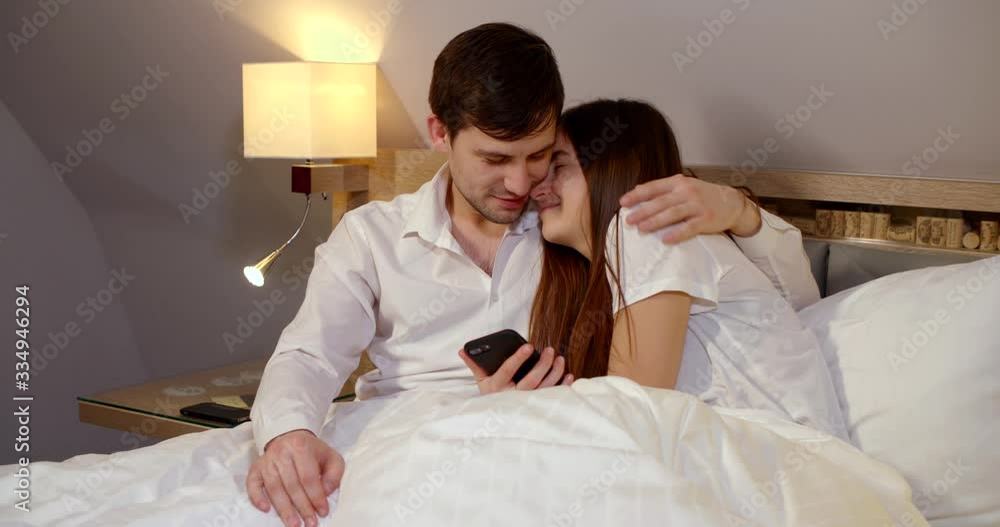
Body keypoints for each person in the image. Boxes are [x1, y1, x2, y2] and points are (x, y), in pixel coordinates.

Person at [245, 23, 820, 527]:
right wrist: (289, 434)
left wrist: (740, 209)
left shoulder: (577, 229)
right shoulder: (371, 235)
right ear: (440, 134)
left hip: (528, 448)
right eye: (496, 159)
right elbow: (308, 356)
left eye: (540, 155)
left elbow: (790, 302)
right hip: (392, 438)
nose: (521, 184)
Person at [465, 98, 846, 440]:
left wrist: (525, 419)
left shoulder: (646, 227)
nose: (536, 189)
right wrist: (519, 405)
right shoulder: (603, 271)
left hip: (774, 455)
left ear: (611, 169)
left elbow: (632, 409)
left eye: (559, 166)